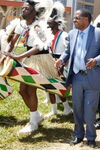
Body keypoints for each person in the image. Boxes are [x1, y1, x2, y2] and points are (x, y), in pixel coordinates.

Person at [54, 9, 100, 148]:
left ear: (86, 19)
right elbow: (68, 51)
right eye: (74, 18)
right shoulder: (72, 34)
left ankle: (91, 137)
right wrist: (61, 59)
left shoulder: (99, 33)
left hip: (92, 77)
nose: (74, 20)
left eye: (76, 18)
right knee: (78, 109)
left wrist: (97, 60)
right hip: (76, 77)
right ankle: (78, 135)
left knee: (89, 110)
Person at [4, 0, 57, 133]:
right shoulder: (20, 24)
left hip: (40, 59)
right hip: (28, 59)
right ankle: (36, 116)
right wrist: (8, 52)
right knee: (22, 90)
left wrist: (19, 57)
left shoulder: (38, 26)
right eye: (23, 8)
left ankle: (33, 122)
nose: (23, 10)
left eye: (27, 9)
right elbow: (12, 42)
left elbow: (40, 46)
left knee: (30, 89)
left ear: (35, 12)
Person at [44, 1, 72, 116]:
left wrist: (63, 64)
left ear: (56, 22)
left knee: (59, 88)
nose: (48, 23)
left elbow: (69, 51)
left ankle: (67, 108)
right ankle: (54, 110)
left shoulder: (64, 35)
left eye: (50, 21)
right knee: (48, 87)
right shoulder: (48, 34)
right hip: (50, 62)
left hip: (61, 64)